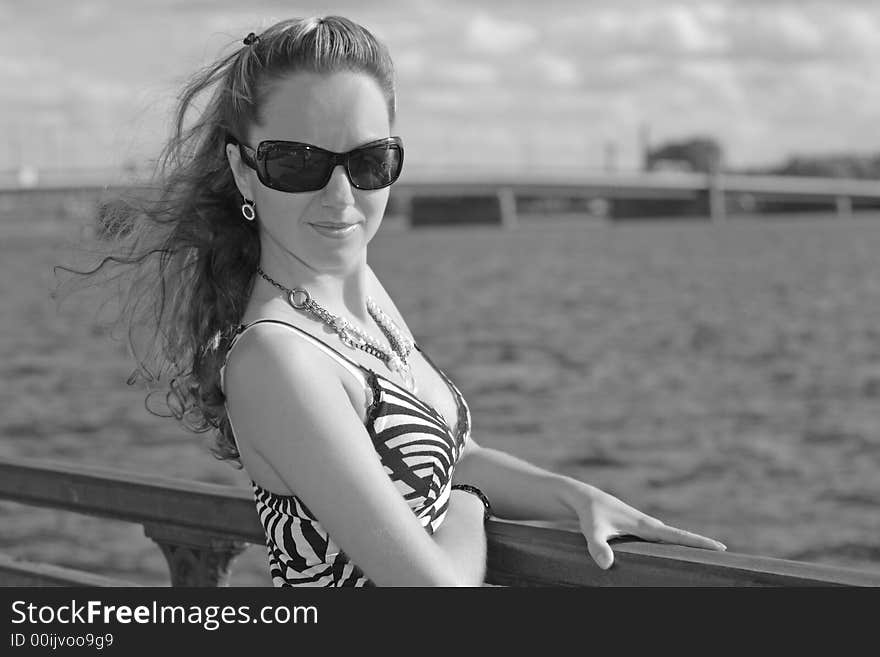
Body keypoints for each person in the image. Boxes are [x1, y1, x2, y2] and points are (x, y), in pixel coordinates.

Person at [71, 15, 725, 587]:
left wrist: (575, 496)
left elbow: (447, 453)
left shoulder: (357, 291)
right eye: (298, 163)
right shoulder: (276, 358)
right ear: (245, 170)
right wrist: (468, 504)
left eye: (368, 162)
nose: (339, 197)